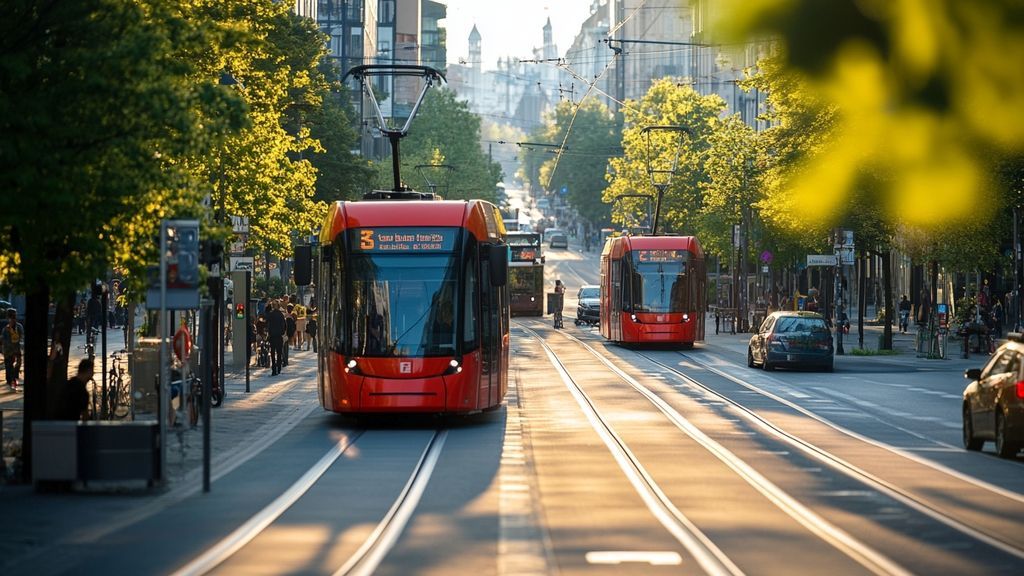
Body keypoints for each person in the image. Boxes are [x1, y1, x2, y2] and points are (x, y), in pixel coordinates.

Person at [2, 309, 25, 391]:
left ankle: (14, 378)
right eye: (11, 316)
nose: (13, 318)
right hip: (8, 351)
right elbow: (4, 341)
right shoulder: (5, 329)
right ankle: (11, 381)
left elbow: (22, 337)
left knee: (18, 363)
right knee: (9, 366)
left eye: (14, 316)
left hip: (17, 349)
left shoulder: (19, 326)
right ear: (8, 317)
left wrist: (20, 344)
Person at [266, 301, 287, 375]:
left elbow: (266, 322)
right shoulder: (281, 315)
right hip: (279, 336)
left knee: (272, 352)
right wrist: (282, 332)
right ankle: (279, 368)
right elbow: (284, 325)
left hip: (272, 336)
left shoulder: (270, 314)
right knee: (279, 352)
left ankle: (274, 369)